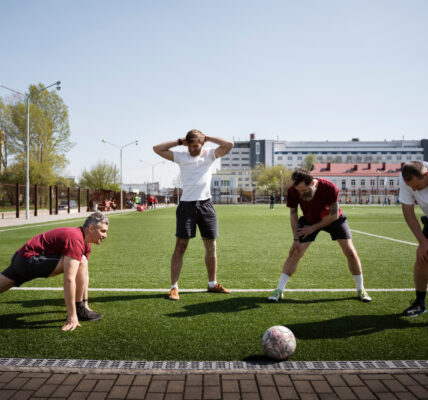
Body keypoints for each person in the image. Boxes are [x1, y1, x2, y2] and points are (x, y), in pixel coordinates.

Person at [268, 168, 372, 303]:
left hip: (332, 219)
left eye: (304, 190)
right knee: (295, 251)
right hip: (309, 219)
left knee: (350, 251)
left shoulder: (329, 187)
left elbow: (334, 215)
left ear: (312, 183)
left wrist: (313, 228)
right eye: (299, 190)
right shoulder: (293, 190)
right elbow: (293, 214)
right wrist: (295, 238)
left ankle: (361, 289)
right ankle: (279, 290)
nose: (301, 193)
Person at [153, 129, 234, 300]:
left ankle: (212, 284)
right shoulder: (182, 157)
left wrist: (208, 138)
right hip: (186, 205)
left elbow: (229, 145)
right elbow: (157, 148)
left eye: (195, 146)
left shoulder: (210, 154)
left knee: (211, 245)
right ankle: (174, 287)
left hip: (206, 205)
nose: (192, 150)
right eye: (190, 146)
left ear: (202, 144)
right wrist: (179, 141)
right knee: (181, 246)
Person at [0, 212, 109, 331]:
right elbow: (69, 279)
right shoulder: (76, 239)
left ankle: (81, 308)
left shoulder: (85, 243)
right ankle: (78, 309)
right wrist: (72, 316)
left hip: (21, 259)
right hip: (28, 260)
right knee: (81, 261)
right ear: (91, 228)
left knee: (82, 262)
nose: (105, 235)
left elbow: (83, 274)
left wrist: (85, 304)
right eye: (103, 231)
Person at [398, 161, 428, 317]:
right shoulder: (405, 179)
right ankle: (420, 303)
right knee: (423, 258)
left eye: (417, 185)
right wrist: (423, 242)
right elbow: (408, 212)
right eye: (412, 187)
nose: (414, 190)